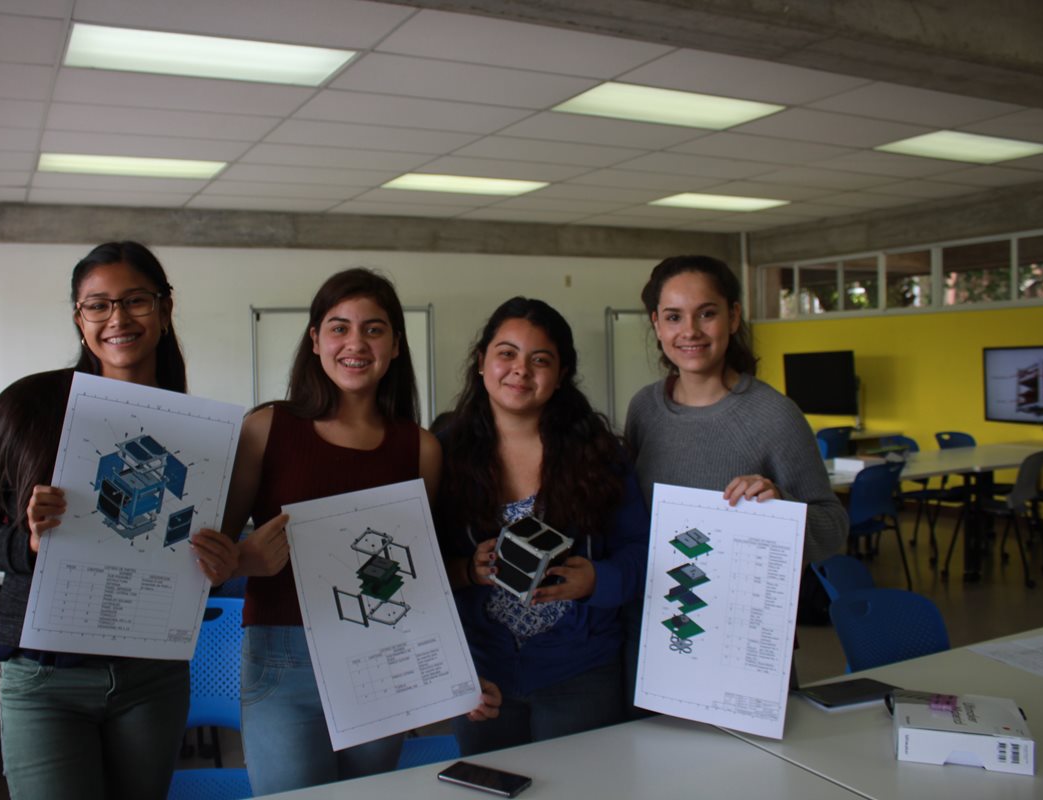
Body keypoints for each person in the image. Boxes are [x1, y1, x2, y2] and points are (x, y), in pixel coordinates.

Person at [189, 268, 498, 796]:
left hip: (381, 652)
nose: (356, 343)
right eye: (339, 327)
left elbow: (418, 581)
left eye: (374, 329)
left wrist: (450, 676)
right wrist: (245, 559)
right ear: (314, 340)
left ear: (396, 345)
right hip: (283, 659)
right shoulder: (266, 428)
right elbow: (207, 559)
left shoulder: (420, 448)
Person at [0, 241, 208, 799]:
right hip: (44, 674)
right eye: (98, 305)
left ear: (165, 307)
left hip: (149, 675)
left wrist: (219, 558)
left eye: (135, 300)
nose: (118, 318)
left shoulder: (196, 429)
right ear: (78, 317)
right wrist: (28, 543)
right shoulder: (28, 407)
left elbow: (194, 551)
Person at [434, 297, 649, 755]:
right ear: (481, 362)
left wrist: (597, 580)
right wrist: (466, 572)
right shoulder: (442, 454)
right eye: (506, 353)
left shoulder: (600, 455)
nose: (520, 371)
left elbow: (641, 552)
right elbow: (421, 567)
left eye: (540, 360)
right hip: (481, 674)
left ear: (563, 373)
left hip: (581, 671)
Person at [624, 254, 848, 562]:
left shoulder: (775, 414)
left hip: (736, 604)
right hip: (652, 604)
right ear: (657, 325)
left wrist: (780, 506)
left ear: (733, 317)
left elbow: (834, 530)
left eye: (706, 314)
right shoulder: (644, 409)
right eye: (674, 317)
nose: (690, 331)